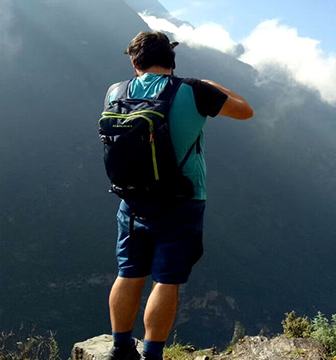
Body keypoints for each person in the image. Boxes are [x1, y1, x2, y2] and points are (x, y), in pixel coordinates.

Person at [103, 31, 254, 360]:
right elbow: (245, 111)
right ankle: (153, 355)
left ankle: (120, 347)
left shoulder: (116, 92)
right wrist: (214, 85)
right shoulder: (194, 90)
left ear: (134, 61)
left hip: (131, 200)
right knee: (166, 280)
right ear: (172, 59)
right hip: (182, 200)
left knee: (128, 272)